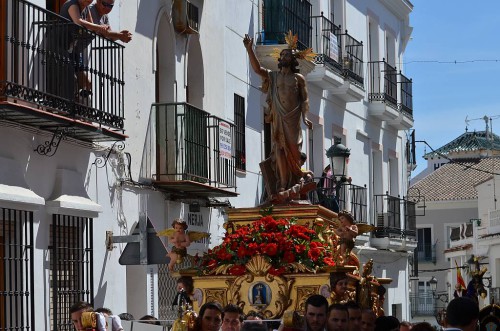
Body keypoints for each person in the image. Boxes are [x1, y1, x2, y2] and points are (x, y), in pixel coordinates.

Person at [243, 33, 313, 203]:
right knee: (279, 150)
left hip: (293, 118)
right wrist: (249, 49)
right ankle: (282, 184)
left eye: (287, 54)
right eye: (281, 55)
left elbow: (304, 99)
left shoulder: (298, 78)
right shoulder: (273, 76)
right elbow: (258, 70)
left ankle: (295, 180)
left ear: (293, 58)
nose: (283, 56)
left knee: (294, 152)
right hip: (278, 117)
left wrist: (305, 117)